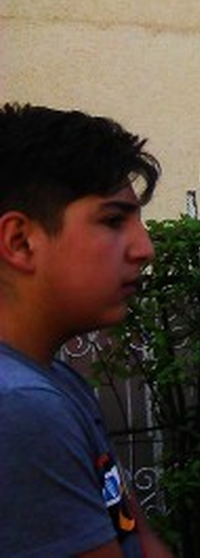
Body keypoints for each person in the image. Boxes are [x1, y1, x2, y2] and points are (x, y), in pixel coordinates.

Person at [0, 103, 171, 557]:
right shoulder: (20, 406)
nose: (145, 248)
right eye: (113, 221)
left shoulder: (55, 381)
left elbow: (134, 533)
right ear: (20, 241)